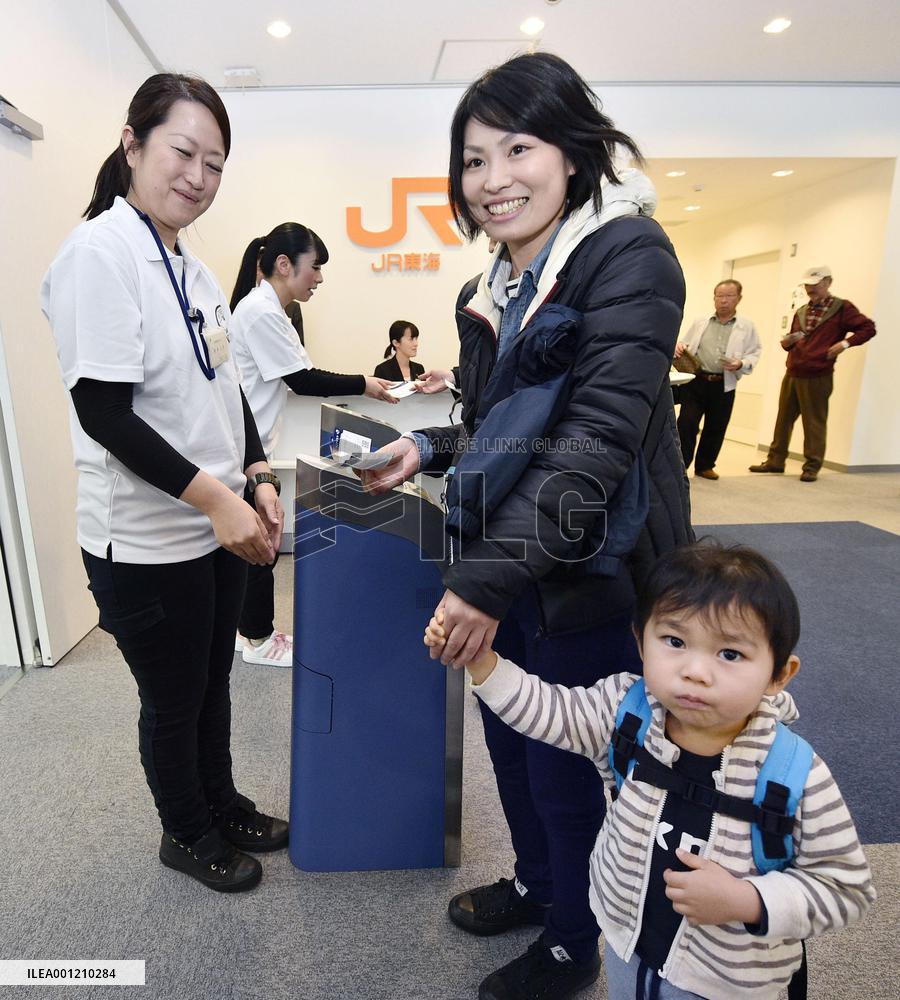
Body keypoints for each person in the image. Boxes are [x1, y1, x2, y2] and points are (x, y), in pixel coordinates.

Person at [360, 51, 691, 1000]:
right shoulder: (499, 281)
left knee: (566, 761)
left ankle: (574, 938)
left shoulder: (628, 255)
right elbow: (490, 420)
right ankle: (541, 883)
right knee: (514, 740)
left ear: (575, 150)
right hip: (510, 565)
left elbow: (594, 442)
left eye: (519, 147)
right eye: (473, 159)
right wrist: (425, 451)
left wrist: (479, 583)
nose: (494, 179)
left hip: (590, 567)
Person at [425, 541, 875, 1000]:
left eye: (730, 654)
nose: (696, 671)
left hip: (726, 983)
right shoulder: (628, 713)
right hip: (626, 943)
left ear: (780, 674)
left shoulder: (796, 776)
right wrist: (480, 662)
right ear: (640, 642)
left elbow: (847, 889)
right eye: (675, 642)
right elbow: (549, 710)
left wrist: (749, 901)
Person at [40, 74, 288, 893]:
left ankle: (220, 801)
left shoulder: (195, 268)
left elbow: (228, 393)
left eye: (215, 164)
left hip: (209, 527)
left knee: (212, 681)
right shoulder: (99, 255)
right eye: (183, 152)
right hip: (145, 541)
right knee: (174, 697)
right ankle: (184, 832)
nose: (198, 177)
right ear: (133, 142)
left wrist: (253, 474)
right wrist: (220, 500)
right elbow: (105, 415)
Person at [229, 224, 398, 665]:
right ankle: (260, 640)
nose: (318, 278)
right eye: (315, 267)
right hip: (245, 450)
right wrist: (366, 383)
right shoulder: (262, 312)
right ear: (284, 265)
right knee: (262, 539)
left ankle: (247, 633)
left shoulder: (268, 310)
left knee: (248, 542)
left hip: (248, 444)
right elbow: (304, 380)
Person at [750, 265, 876, 482]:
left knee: (814, 422)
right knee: (783, 419)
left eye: (815, 284)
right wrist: (788, 341)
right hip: (793, 371)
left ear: (827, 282)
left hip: (819, 373)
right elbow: (790, 341)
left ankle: (812, 466)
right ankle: (775, 461)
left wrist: (845, 343)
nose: (810, 289)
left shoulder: (842, 308)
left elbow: (868, 328)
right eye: (808, 285)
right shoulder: (801, 311)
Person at [675, 279, 761, 480]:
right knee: (686, 424)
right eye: (719, 296)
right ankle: (680, 466)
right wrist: (680, 346)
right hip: (697, 380)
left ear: (739, 298)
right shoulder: (701, 321)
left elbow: (755, 352)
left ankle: (705, 466)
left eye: (729, 296)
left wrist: (741, 363)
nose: (724, 301)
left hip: (724, 382)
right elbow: (685, 343)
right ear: (714, 298)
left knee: (716, 425)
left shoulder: (746, 326)